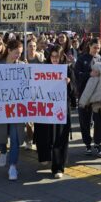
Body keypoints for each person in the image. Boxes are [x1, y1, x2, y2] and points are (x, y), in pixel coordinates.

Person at [0, 39, 26, 180]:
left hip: (16, 108)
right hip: (1, 107)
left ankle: (13, 166)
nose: (18, 57)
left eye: (20, 54)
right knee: (1, 135)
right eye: (16, 53)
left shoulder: (22, 66)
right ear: (9, 50)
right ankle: (3, 151)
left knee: (15, 138)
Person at [34, 45, 72, 178]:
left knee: (60, 136)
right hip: (45, 107)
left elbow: (74, 93)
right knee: (43, 133)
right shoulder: (43, 68)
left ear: (62, 57)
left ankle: (58, 167)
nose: (55, 59)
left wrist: (69, 84)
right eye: (53, 56)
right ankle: (45, 156)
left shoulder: (67, 69)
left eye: (57, 56)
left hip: (60, 108)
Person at [76, 38, 101, 157]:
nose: (96, 50)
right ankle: (87, 144)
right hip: (84, 95)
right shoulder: (81, 59)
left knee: (99, 121)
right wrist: (88, 74)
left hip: (98, 97)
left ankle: (98, 143)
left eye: (98, 48)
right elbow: (76, 75)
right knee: (84, 121)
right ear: (89, 46)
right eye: (94, 47)